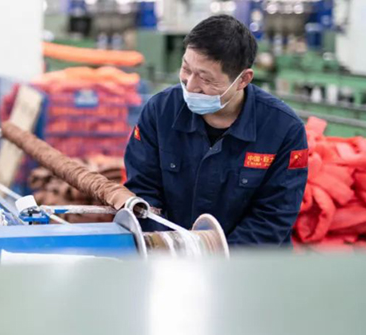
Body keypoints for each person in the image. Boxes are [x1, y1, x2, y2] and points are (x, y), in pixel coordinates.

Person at [124, 14, 308, 246]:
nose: (191, 85)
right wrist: (168, 246)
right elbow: (143, 189)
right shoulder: (160, 111)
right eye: (186, 69)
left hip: (250, 261)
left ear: (243, 80)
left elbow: (273, 216)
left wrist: (215, 255)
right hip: (170, 257)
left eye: (206, 79)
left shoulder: (284, 130)